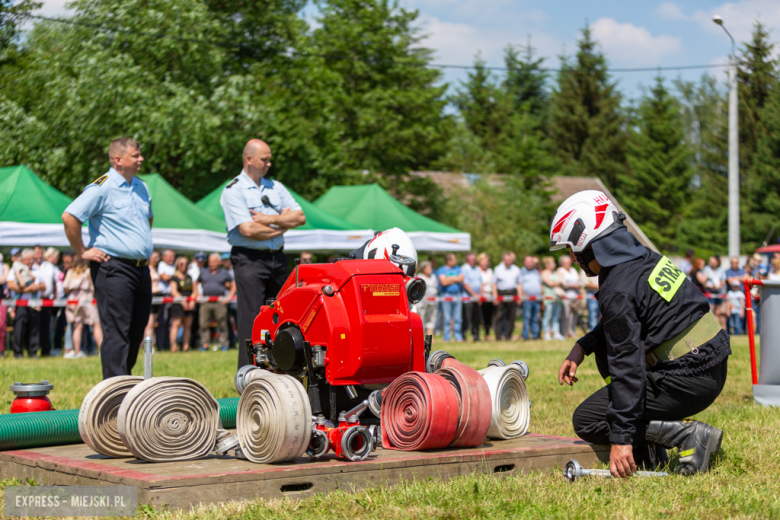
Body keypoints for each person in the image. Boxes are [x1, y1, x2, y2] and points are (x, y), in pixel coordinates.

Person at [553, 190, 729, 478]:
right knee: (604, 353)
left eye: (571, 249)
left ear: (588, 241)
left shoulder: (618, 286)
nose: (572, 258)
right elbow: (626, 322)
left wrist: (621, 438)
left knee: (588, 419)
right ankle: (648, 448)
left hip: (689, 377)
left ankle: (688, 436)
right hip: (710, 365)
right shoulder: (642, 257)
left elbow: (628, 364)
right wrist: (583, 346)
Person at [62, 137, 153, 378]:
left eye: (139, 154)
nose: (141, 158)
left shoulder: (141, 187)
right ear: (118, 160)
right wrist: (82, 251)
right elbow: (70, 216)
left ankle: (124, 381)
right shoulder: (102, 187)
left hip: (141, 269)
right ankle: (114, 393)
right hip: (113, 268)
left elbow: (148, 220)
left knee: (136, 329)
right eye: (135, 155)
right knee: (117, 332)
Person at [221, 139, 305, 368]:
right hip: (249, 259)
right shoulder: (233, 190)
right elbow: (247, 229)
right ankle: (248, 373)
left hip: (277, 257)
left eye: (269, 159)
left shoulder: (275, 187)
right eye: (264, 159)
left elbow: (300, 217)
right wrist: (283, 225)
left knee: (281, 316)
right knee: (252, 319)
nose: (269, 163)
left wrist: (268, 219)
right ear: (249, 160)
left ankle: (278, 369)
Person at [7, 249, 45, 358]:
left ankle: (32, 352)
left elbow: (44, 285)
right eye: (28, 259)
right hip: (21, 303)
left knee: (34, 328)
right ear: (23, 259)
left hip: (34, 303)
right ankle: (18, 352)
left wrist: (37, 287)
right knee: (19, 328)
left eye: (32, 259)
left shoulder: (36, 270)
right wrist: (27, 290)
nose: (31, 261)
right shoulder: (16, 269)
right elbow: (10, 285)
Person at [62, 256, 101, 359]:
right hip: (87, 299)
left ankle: (77, 351)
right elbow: (94, 287)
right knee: (96, 325)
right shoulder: (88, 271)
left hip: (73, 300)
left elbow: (65, 288)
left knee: (77, 326)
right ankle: (102, 350)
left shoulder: (70, 272)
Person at [199, 253, 236, 351]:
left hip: (220, 302)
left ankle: (223, 344)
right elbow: (195, 282)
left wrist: (229, 296)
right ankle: (205, 344)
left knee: (223, 324)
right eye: (210, 262)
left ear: (219, 262)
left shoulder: (224, 272)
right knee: (203, 324)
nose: (211, 264)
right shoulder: (204, 272)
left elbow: (234, 284)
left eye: (214, 262)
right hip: (206, 301)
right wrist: (197, 294)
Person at [34, 248, 61, 357]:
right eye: (37, 253)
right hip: (33, 301)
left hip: (47, 301)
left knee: (46, 326)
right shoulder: (30, 266)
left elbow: (56, 283)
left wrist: (55, 297)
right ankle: (33, 350)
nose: (39, 255)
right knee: (34, 327)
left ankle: (46, 350)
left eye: (41, 253)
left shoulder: (50, 267)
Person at [169, 256, 198, 352]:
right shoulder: (174, 277)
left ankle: (186, 346)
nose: (184, 266)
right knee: (176, 324)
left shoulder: (189, 277)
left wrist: (192, 301)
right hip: (178, 303)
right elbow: (174, 291)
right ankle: (174, 346)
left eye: (186, 263)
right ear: (177, 265)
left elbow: (194, 291)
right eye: (181, 263)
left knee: (187, 326)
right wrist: (183, 301)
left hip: (189, 303)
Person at [437, 253, 465, 342]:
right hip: (446, 295)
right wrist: (455, 278)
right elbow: (443, 282)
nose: (456, 261)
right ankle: (447, 337)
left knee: (458, 318)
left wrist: (449, 278)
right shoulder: (441, 269)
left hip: (457, 295)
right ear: (448, 261)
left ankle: (458, 337)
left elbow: (461, 279)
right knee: (447, 318)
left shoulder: (458, 268)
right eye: (454, 259)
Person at [493, 252, 521, 340]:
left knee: (511, 316)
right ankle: (498, 337)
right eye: (507, 260)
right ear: (503, 260)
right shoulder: (498, 269)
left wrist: (519, 296)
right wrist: (495, 297)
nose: (509, 261)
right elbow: (494, 284)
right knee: (499, 316)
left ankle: (508, 336)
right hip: (501, 292)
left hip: (513, 292)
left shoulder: (516, 269)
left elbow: (519, 284)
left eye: (510, 260)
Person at [541, 256, 564, 341]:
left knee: (556, 317)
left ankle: (556, 333)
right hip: (549, 298)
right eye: (552, 263)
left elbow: (563, 282)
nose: (554, 265)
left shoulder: (556, 272)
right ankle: (546, 333)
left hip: (558, 297)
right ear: (546, 265)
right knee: (547, 316)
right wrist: (558, 283)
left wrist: (557, 283)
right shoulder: (544, 273)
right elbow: (550, 283)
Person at [558, 255, 582, 338]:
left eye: (569, 262)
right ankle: (564, 332)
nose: (569, 263)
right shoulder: (560, 270)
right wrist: (572, 285)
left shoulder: (573, 270)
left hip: (575, 296)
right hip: (565, 296)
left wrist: (577, 285)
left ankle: (572, 332)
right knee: (565, 315)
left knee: (574, 315)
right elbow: (562, 283)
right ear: (562, 263)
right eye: (566, 262)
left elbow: (580, 281)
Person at [156, 249, 176, 351]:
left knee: (171, 323)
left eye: (173, 256)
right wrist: (176, 276)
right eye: (170, 256)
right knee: (162, 322)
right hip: (164, 296)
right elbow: (164, 277)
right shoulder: (161, 265)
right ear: (164, 257)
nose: (172, 258)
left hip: (173, 297)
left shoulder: (174, 266)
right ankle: (161, 345)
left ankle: (168, 344)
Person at [519, 256, 542, 340]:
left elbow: (540, 284)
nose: (529, 263)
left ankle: (535, 336)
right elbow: (519, 285)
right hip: (527, 299)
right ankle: (525, 336)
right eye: (527, 261)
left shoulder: (536, 272)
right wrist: (522, 295)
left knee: (536, 318)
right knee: (527, 317)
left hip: (537, 298)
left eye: (531, 261)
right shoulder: (521, 272)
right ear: (524, 262)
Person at [414, 261, 438, 340]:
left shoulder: (433, 276)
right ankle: (422, 337)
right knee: (422, 319)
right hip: (422, 303)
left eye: (431, 268)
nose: (430, 269)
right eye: (428, 268)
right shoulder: (419, 277)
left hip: (433, 302)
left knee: (432, 319)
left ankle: (431, 338)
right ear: (423, 269)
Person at [461, 252, 482, 341]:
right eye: (471, 260)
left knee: (476, 318)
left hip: (476, 298)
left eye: (474, 260)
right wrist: (474, 295)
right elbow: (465, 284)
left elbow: (481, 283)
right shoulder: (464, 269)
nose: (473, 261)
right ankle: (464, 335)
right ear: (467, 260)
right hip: (468, 298)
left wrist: (479, 295)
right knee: (467, 318)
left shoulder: (477, 269)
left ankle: (476, 336)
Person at [702, 256, 727, 330]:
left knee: (718, 312)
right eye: (710, 261)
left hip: (718, 293)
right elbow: (704, 281)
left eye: (713, 262)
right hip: (709, 293)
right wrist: (710, 286)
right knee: (711, 311)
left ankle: (718, 329)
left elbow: (723, 280)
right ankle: (712, 329)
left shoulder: (720, 270)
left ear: (717, 262)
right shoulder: (706, 269)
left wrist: (720, 285)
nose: (711, 263)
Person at [143, 250, 162, 347]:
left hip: (157, 296)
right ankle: (148, 346)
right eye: (154, 258)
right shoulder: (146, 268)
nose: (156, 260)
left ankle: (152, 344)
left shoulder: (156, 268)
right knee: (149, 324)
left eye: (157, 257)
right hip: (150, 296)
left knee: (154, 323)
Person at [476, 253, 495, 341]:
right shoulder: (476, 270)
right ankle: (477, 335)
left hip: (489, 297)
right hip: (480, 297)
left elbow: (493, 283)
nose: (485, 263)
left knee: (488, 318)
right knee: (479, 318)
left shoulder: (490, 271)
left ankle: (487, 334)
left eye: (487, 261)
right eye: (483, 261)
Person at [0, 253, 9, 357]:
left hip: (2, 299)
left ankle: (1, 349)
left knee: (1, 325)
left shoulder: (4, 266)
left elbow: (4, 279)